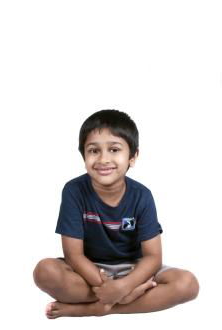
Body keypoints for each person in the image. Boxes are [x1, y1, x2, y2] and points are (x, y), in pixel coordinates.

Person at [33, 109, 199, 319]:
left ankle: (92, 309)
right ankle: (117, 299)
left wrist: (124, 286)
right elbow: (73, 255)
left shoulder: (142, 195)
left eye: (114, 149)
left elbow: (153, 257)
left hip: (134, 270)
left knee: (188, 284)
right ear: (83, 155)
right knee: (44, 271)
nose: (103, 159)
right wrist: (109, 286)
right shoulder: (73, 191)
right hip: (88, 271)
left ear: (133, 156)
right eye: (94, 151)